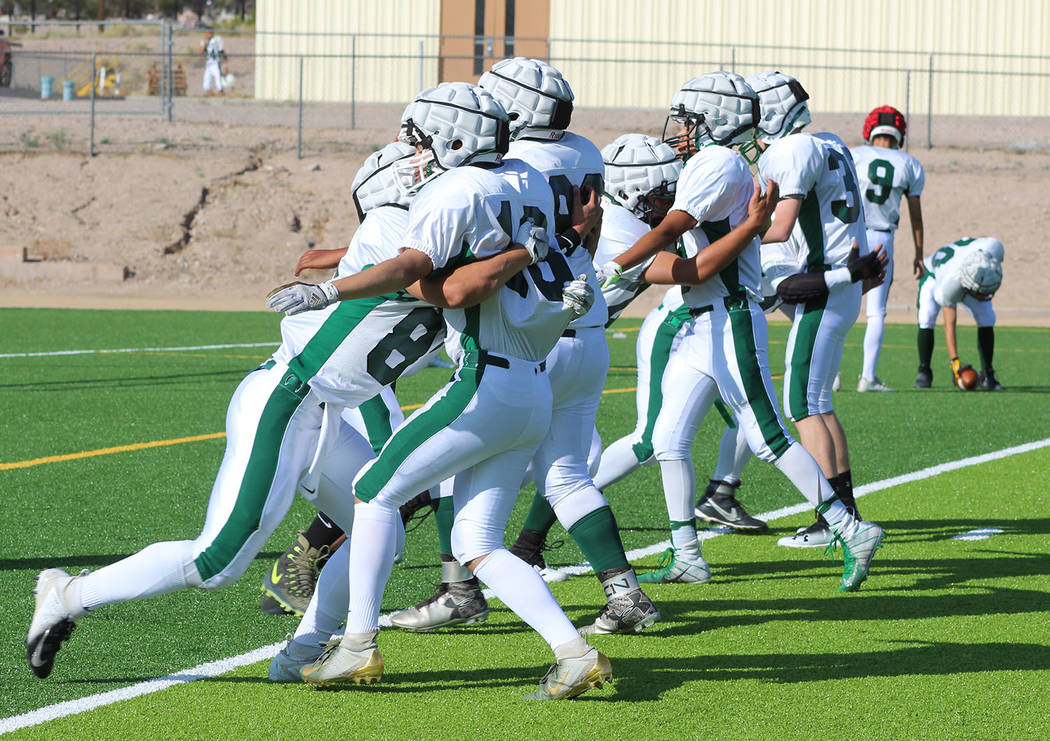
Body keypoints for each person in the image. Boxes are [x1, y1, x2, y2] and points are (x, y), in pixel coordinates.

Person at [23, 141, 535, 682]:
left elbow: (446, 254)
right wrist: (530, 249)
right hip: (287, 398)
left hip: (330, 409)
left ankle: (303, 651)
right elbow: (448, 282)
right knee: (215, 562)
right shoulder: (393, 230)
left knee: (377, 530)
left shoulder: (414, 236)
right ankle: (69, 594)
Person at [267, 82, 610, 700]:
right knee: (478, 544)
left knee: (373, 492)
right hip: (532, 387)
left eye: (422, 138)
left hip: (487, 379)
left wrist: (332, 290)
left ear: (456, 140)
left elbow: (426, 276)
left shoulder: (458, 188)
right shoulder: (525, 180)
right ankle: (574, 651)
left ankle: (356, 646)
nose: (414, 150)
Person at [601, 71, 882, 591]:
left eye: (688, 118)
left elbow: (671, 229)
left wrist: (611, 268)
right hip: (697, 319)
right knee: (666, 439)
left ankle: (850, 527)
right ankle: (687, 553)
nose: (679, 128)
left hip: (729, 315)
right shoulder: (717, 162)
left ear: (718, 120)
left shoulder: (718, 162)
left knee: (768, 434)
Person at [592, 134, 768, 533]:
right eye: (660, 194)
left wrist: (753, 224)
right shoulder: (624, 230)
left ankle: (717, 500)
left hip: (687, 326)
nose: (669, 202)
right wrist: (752, 226)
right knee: (643, 443)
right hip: (670, 328)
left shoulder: (629, 218)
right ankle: (530, 540)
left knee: (690, 434)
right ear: (633, 191)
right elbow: (695, 270)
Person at [742, 71, 887, 551]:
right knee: (818, 401)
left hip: (825, 283)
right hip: (840, 281)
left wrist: (721, 241)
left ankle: (833, 519)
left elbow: (780, 228)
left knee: (801, 404)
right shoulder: (829, 142)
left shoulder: (791, 151)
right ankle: (843, 510)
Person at [851, 106, 926, 391]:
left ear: (870, 129)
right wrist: (919, 252)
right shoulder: (909, 163)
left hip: (850, 235)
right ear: (899, 133)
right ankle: (867, 377)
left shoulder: (855, 155)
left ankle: (831, 375)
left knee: (837, 304)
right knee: (876, 311)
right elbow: (916, 216)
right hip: (882, 238)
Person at [915, 237, 1004, 390]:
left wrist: (989, 286)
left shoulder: (994, 248)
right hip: (934, 275)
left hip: (968, 267)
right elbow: (949, 324)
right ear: (970, 287)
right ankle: (924, 370)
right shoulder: (949, 286)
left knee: (987, 316)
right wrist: (955, 362)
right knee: (926, 317)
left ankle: (988, 373)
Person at [200, 29, 226, 97]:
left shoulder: (216, 40)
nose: (206, 34)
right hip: (208, 63)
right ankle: (208, 91)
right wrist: (205, 43)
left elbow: (221, 50)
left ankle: (221, 91)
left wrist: (224, 60)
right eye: (206, 33)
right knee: (206, 78)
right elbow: (201, 51)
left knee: (217, 77)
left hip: (215, 62)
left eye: (208, 33)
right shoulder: (204, 41)